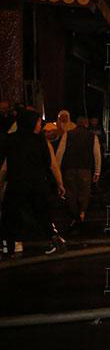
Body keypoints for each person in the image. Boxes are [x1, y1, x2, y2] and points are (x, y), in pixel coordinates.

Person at [0, 110, 66, 256]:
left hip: (16, 184)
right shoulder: (40, 140)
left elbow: (4, 166)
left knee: (11, 215)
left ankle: (13, 246)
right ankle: (54, 239)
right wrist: (59, 183)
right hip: (37, 184)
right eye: (37, 122)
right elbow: (50, 163)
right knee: (42, 213)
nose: (39, 125)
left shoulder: (9, 140)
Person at [56, 117, 101, 225]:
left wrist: (57, 170)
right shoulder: (92, 136)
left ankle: (73, 214)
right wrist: (97, 171)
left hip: (70, 167)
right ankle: (82, 212)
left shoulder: (68, 134)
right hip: (85, 168)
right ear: (86, 124)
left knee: (71, 192)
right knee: (84, 192)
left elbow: (60, 152)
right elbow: (97, 154)